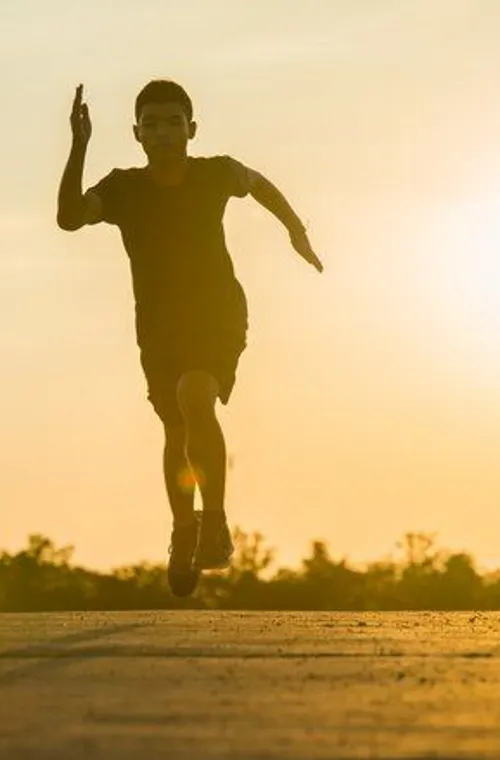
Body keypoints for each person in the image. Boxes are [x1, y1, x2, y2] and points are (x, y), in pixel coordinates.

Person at [56, 79, 323, 598]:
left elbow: (259, 183)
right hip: (158, 325)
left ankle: (215, 522)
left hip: (218, 314)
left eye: (173, 121)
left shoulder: (215, 172)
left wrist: (295, 228)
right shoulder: (122, 189)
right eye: (150, 123)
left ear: (191, 129)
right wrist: (79, 145)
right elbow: (69, 219)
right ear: (136, 133)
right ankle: (185, 531)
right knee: (175, 431)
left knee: (194, 396)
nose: (162, 130)